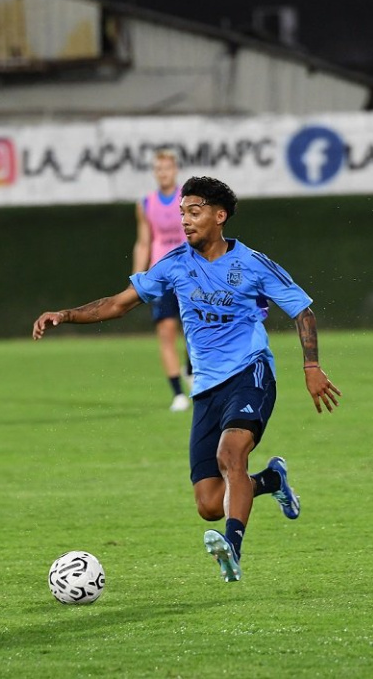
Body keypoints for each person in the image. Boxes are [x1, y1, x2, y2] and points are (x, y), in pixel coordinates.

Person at [33, 176, 341, 583]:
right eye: (182, 213)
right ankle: (271, 480)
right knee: (209, 504)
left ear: (220, 216)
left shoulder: (252, 263)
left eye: (194, 212)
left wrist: (311, 367)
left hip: (250, 373)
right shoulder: (175, 264)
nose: (185, 221)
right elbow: (118, 304)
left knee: (231, 456)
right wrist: (65, 315)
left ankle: (232, 547)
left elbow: (302, 311)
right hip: (206, 388)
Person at [132, 150, 193, 411]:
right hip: (162, 275)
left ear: (175, 170)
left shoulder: (188, 199)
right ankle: (178, 394)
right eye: (158, 168)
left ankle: (191, 368)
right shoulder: (145, 204)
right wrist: (137, 278)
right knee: (166, 332)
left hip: (189, 273)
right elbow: (144, 242)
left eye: (167, 168)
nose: (163, 173)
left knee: (194, 330)